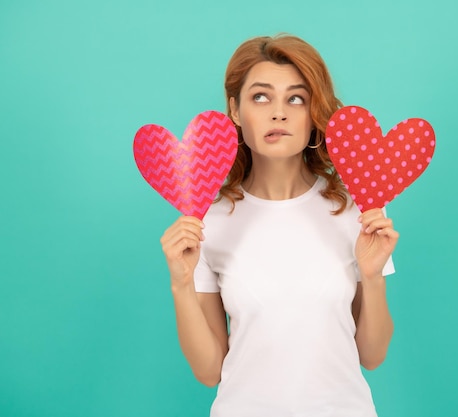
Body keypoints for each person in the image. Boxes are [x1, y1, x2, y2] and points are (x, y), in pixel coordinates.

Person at [160, 34, 399, 417]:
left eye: (296, 98)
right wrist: (180, 284)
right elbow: (209, 372)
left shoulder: (359, 207)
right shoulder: (207, 218)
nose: (279, 113)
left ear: (313, 112)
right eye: (260, 96)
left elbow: (372, 355)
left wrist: (372, 276)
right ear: (235, 111)